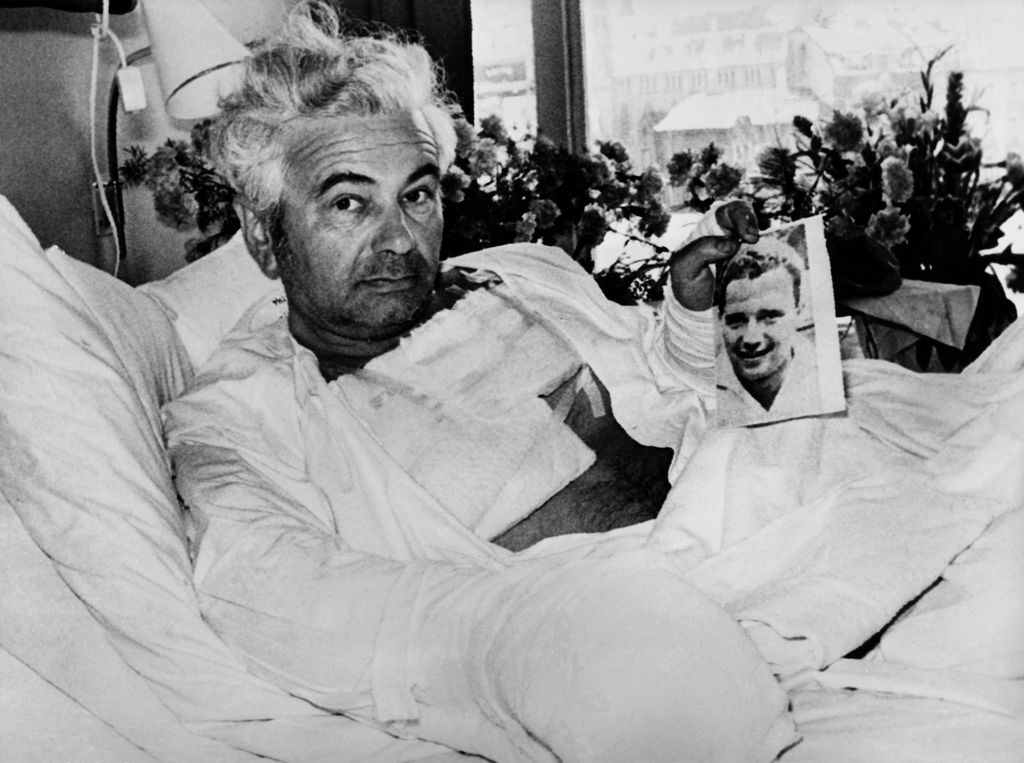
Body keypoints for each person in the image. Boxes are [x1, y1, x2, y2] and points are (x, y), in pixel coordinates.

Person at [163, 2, 799, 761]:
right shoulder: (238, 412)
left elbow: (664, 374)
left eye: (417, 194)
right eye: (348, 202)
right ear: (265, 236)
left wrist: (693, 315)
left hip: (769, 501)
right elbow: (271, 585)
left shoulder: (524, 273)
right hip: (636, 617)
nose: (399, 238)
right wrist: (538, 634)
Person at [714, 239, 821, 423]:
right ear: (719, 318)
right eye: (736, 321)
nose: (751, 338)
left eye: (770, 317)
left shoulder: (829, 378)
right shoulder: (700, 391)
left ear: (799, 311)